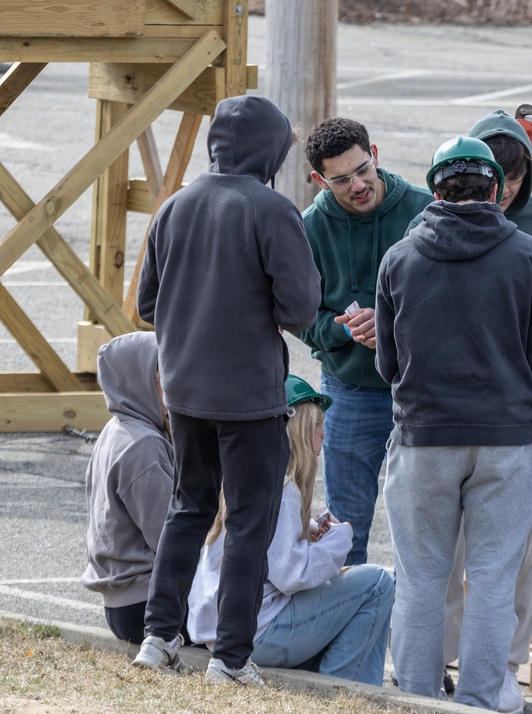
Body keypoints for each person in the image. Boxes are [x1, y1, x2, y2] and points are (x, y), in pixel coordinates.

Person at [132, 94, 321, 686]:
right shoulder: (271, 209)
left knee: (188, 509)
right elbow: (299, 307)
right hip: (250, 397)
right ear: (269, 149)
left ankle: (158, 637)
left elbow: (145, 305)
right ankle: (231, 659)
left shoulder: (175, 206)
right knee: (248, 523)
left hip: (183, 390)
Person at [375, 136, 532, 711]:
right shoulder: (530, 255)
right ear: (495, 192)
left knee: (422, 578)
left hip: (423, 440)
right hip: (506, 440)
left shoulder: (400, 258)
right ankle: (485, 700)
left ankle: (417, 698)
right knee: (491, 580)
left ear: (436, 190)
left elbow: (387, 364)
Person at [438, 108, 532, 712]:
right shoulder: (438, 226)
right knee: (442, 543)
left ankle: (503, 663)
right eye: (497, 178)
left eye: (517, 179)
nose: (505, 193)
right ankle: (441, 656)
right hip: (457, 405)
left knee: (521, 542)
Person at [186, 375, 394, 686]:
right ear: (297, 430)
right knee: (377, 582)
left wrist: (307, 530)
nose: (324, 432)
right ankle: (342, 692)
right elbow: (290, 574)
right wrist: (338, 541)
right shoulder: (284, 489)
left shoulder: (245, 477)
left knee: (358, 596)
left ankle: (356, 688)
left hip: (221, 630)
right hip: (259, 634)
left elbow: (272, 555)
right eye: (316, 424)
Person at [297, 117, 434, 566]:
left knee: (425, 531)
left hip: (420, 390)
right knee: (346, 530)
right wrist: (342, 331)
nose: (357, 184)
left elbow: (453, 297)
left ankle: (419, 636)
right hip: (349, 392)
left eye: (362, 170)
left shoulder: (425, 209)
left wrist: (395, 323)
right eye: (340, 179)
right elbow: (296, 312)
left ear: (374, 153)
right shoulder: (310, 228)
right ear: (320, 179)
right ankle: (351, 633)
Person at [82, 331, 174, 645]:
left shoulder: (115, 430)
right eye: (168, 373)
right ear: (143, 381)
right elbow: (170, 537)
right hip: (148, 605)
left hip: (124, 604)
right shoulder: (143, 446)